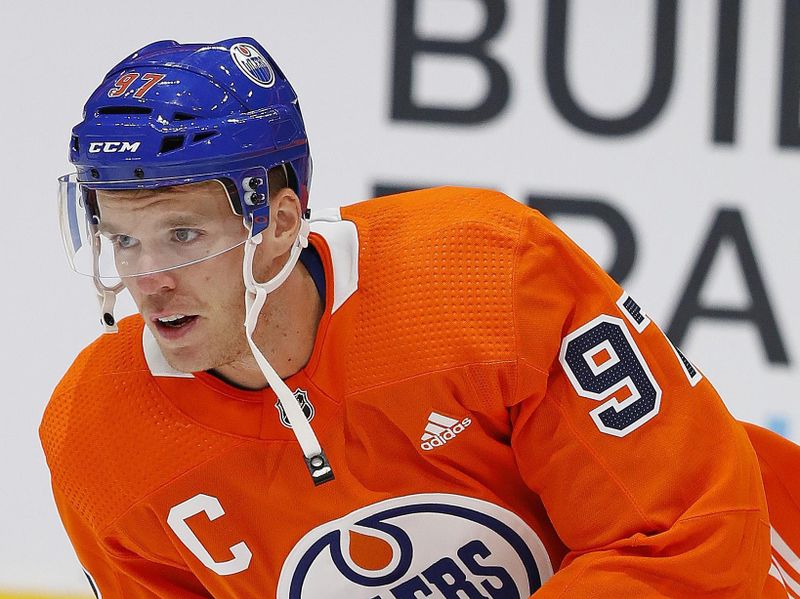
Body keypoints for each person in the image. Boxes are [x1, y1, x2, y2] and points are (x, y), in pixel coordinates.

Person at [40, 37, 798, 598]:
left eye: (182, 235)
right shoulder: (99, 441)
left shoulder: (482, 276)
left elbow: (686, 536)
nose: (148, 279)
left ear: (277, 221)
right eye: (121, 239)